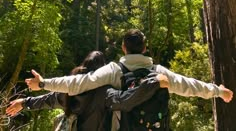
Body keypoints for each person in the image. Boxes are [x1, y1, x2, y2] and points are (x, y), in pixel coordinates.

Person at [24, 29, 233, 129]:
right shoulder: (158, 71)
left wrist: (43, 83)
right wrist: (218, 91)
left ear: (123, 48)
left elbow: (77, 84)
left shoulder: (114, 70)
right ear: (145, 48)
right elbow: (190, 85)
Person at [7, 50, 168, 131]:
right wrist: (153, 83)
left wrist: (24, 102)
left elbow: (48, 100)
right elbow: (125, 101)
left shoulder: (69, 92)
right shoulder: (105, 92)